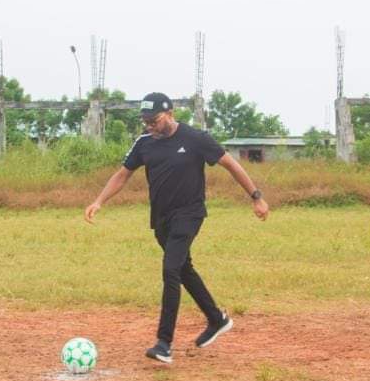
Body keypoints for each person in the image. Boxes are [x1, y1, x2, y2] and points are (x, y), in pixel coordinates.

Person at [84, 92, 270, 363]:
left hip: (190, 214)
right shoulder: (144, 143)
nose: (149, 126)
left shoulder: (196, 139)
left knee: (171, 269)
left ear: (170, 113)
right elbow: (122, 174)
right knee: (183, 269)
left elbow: (231, 165)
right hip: (161, 219)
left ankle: (164, 343)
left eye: (154, 120)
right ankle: (217, 319)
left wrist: (256, 197)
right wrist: (99, 201)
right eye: (145, 122)